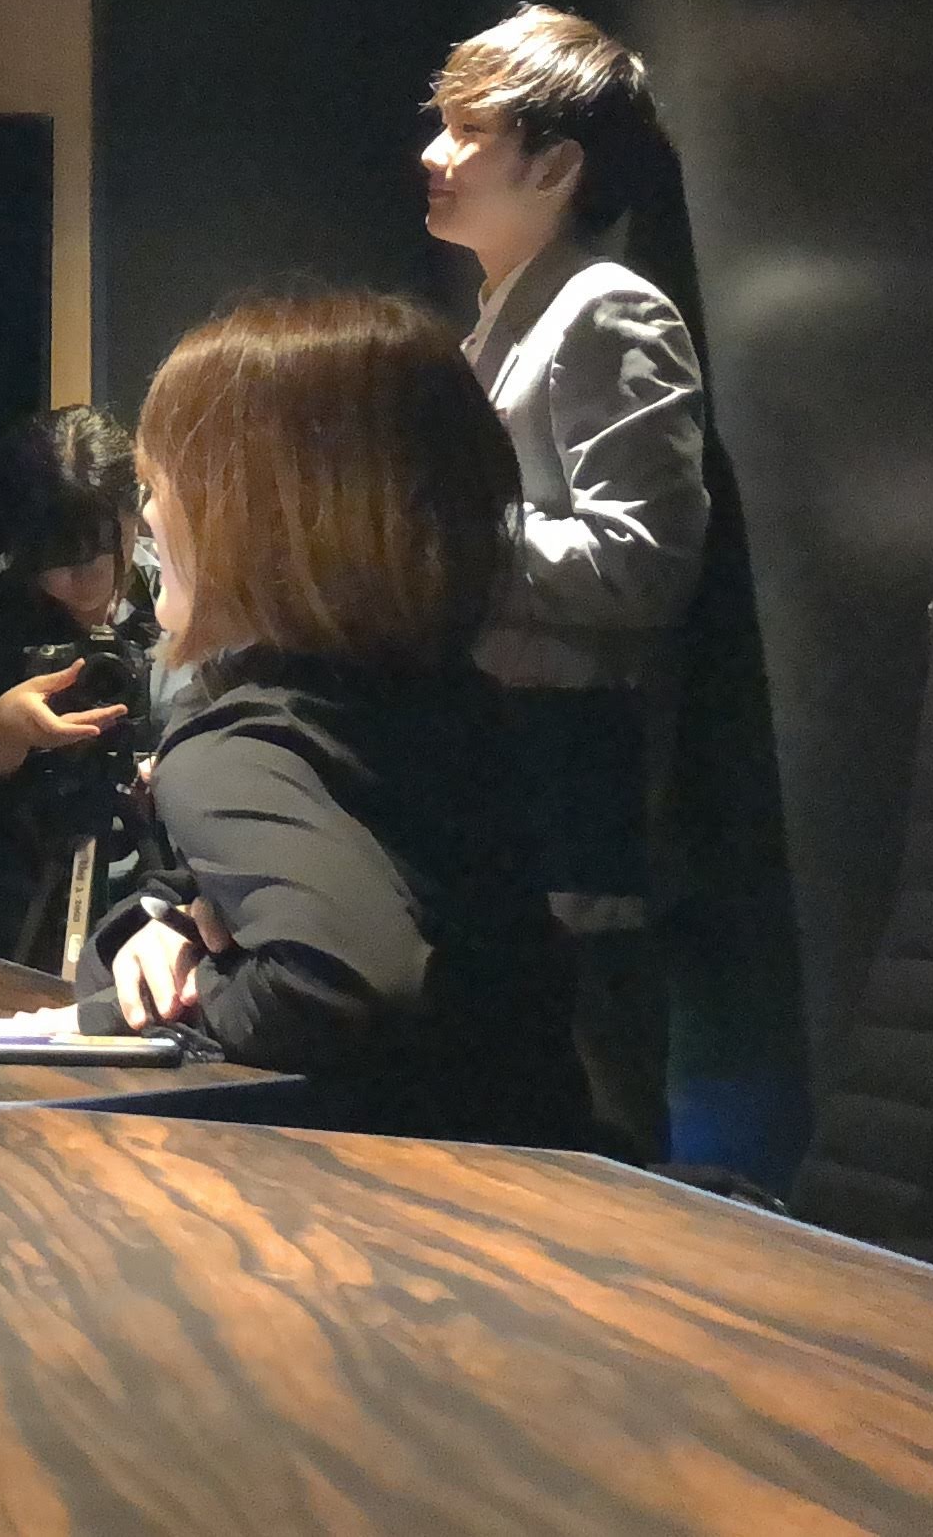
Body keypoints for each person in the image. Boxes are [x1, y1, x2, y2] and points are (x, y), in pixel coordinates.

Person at [77, 292, 588, 1148]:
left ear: (255, 519)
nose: (150, 516)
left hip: (396, 1202)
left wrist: (185, 998)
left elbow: (342, 978)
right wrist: (168, 919)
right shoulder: (459, 709)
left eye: (160, 486)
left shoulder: (233, 752)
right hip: (560, 1174)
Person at [421, 3, 711, 1158]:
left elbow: (643, 565)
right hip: (504, 768)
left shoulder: (606, 305)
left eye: (468, 130)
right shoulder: (497, 324)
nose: (435, 153)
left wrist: (438, 538)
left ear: (555, 165)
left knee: (590, 1122)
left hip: (569, 772)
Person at [0, 407, 161, 968]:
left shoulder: (179, 602)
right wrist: (2, 733)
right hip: (11, 902)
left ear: (132, 509)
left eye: (92, 553)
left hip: (150, 895)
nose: (73, 580)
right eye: (49, 559)